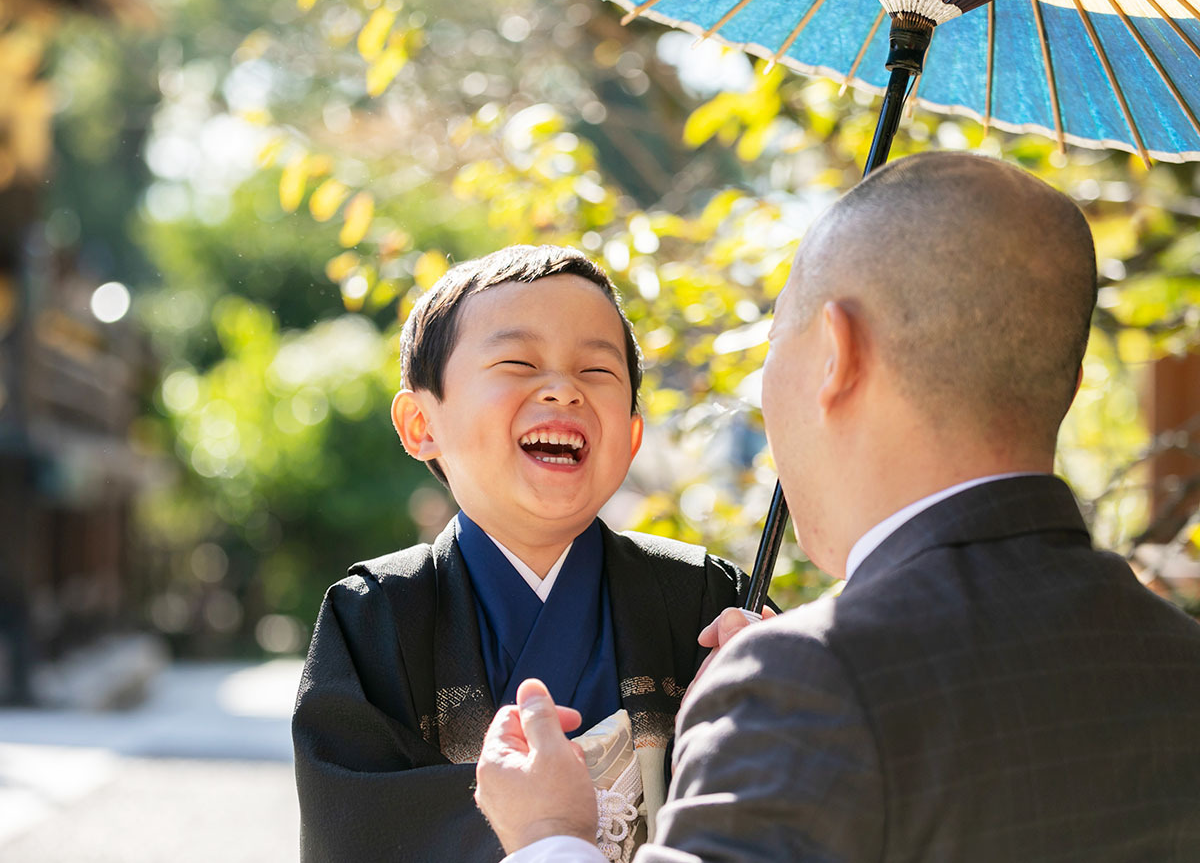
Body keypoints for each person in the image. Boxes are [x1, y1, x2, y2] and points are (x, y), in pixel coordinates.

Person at [474, 152, 1200, 861]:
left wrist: (550, 836)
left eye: (774, 341)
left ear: (836, 352)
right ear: (1071, 384)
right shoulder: (1177, 660)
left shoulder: (808, 685)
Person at [291, 245, 751, 862]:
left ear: (633, 435)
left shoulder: (705, 601)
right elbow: (356, 834)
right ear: (421, 424)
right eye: (517, 362)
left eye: (597, 372)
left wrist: (783, 691)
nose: (563, 391)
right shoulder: (379, 617)